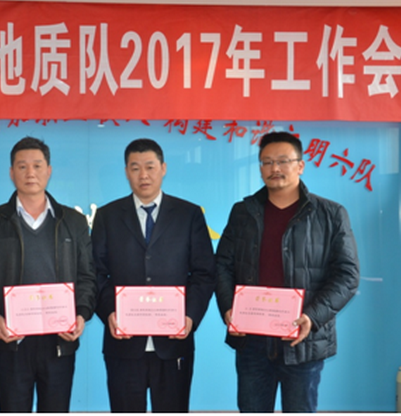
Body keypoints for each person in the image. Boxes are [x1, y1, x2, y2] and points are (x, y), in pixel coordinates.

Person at [214, 131, 360, 413]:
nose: (275, 168)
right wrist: (228, 307)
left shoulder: (330, 214)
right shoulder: (243, 212)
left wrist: (312, 318)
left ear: (300, 165)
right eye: (267, 162)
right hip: (252, 341)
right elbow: (222, 265)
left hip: (303, 340)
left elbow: (347, 276)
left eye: (283, 161)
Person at [0, 136, 97, 412]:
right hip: (12, 341)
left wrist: (81, 313)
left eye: (37, 165)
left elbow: (87, 276)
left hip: (59, 340)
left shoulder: (73, 221)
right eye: (22, 166)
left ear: (49, 171)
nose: (30, 173)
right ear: (11, 172)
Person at [91, 138, 215, 412]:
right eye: (135, 168)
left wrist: (190, 316)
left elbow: (204, 273)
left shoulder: (189, 214)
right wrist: (109, 312)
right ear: (126, 172)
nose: (143, 175)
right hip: (123, 344)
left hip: (174, 343)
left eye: (150, 167)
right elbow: (96, 273)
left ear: (163, 168)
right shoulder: (107, 216)